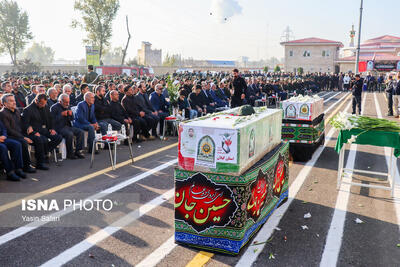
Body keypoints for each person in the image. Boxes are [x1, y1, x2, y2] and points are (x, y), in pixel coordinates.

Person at [21, 94, 63, 170]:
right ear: (36, 101)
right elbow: (25, 125)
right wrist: (33, 132)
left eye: (44, 103)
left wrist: (52, 128)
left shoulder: (45, 107)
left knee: (58, 137)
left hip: (44, 130)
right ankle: (40, 163)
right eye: (42, 104)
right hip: (34, 132)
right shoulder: (28, 110)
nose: (43, 105)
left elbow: (51, 119)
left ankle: (45, 152)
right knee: (42, 139)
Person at [0, 94, 36, 173]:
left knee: (37, 137)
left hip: (18, 134)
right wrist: (23, 137)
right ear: (5, 104)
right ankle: (23, 167)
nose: (14, 102)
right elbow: (9, 130)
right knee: (22, 142)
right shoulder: (3, 113)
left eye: (14, 100)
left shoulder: (16, 110)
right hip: (10, 136)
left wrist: (28, 127)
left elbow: (22, 123)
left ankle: (38, 161)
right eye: (11, 101)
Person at [50, 94, 85, 159]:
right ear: (60, 101)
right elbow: (52, 121)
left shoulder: (67, 106)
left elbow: (72, 119)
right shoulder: (54, 107)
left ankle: (78, 151)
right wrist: (61, 115)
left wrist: (71, 114)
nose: (67, 104)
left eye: (68, 102)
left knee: (81, 132)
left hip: (68, 126)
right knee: (69, 134)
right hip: (58, 128)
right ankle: (70, 153)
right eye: (66, 102)